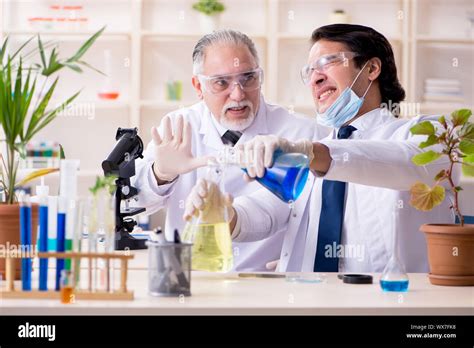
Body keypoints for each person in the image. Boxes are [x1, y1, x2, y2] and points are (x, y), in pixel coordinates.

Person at [184, 24, 458, 273]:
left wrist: (315, 153)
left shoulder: (423, 135)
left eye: (328, 63)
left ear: (372, 69)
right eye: (310, 71)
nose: (315, 78)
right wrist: (225, 213)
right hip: (305, 302)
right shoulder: (315, 150)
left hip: (381, 304)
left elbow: (405, 161)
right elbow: (267, 211)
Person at [132, 29, 329, 271]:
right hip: (187, 280)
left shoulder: (300, 134)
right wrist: (161, 174)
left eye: (248, 78)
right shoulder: (177, 127)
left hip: (262, 285)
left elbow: (272, 212)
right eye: (221, 82)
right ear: (198, 86)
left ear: (260, 77)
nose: (237, 94)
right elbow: (132, 204)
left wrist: (226, 214)